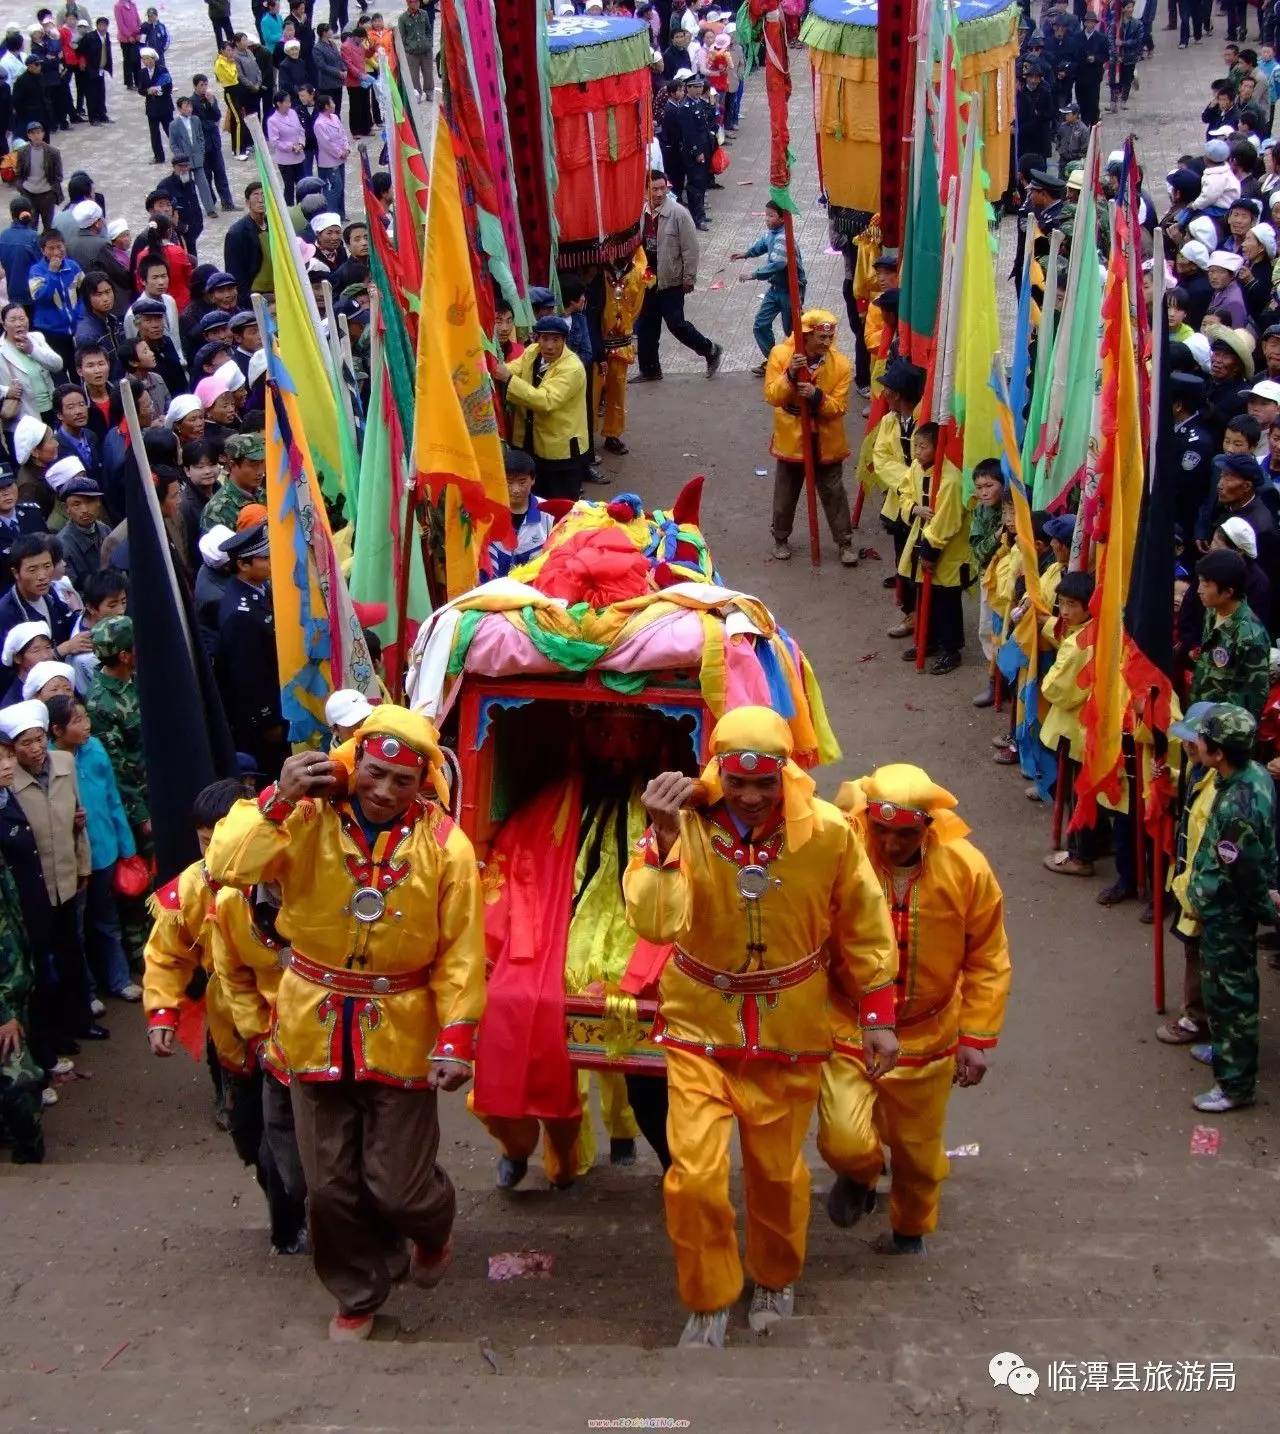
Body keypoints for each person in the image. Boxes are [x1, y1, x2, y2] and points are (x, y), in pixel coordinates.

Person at [204, 705, 485, 1341]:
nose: (384, 791)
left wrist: (457, 1036)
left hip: (404, 1028)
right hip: (312, 1024)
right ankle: (359, 1291)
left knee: (399, 1187)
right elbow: (228, 865)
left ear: (424, 784)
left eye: (403, 781)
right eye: (374, 772)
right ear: (351, 763)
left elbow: (462, 949)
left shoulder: (447, 847)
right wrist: (277, 798)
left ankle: (431, 1229)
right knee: (328, 1186)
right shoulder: (302, 818)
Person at [623, 706, 897, 1348]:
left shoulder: (827, 832)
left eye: (765, 784)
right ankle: (709, 1296)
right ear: (716, 769)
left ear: (787, 776)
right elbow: (655, 926)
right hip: (699, 1026)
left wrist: (878, 1014)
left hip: (788, 1030)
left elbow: (863, 919)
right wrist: (662, 839)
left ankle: (775, 1275)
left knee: (777, 1174)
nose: (749, 798)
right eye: (737, 782)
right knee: (692, 1176)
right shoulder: (678, 825)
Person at [818, 764, 1010, 1253]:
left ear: (927, 828)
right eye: (879, 830)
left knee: (919, 1155)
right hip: (849, 1026)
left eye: (903, 833)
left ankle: (909, 1231)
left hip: (929, 1035)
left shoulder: (967, 869)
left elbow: (988, 956)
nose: (890, 843)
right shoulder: (845, 854)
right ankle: (859, 1176)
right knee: (841, 1137)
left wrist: (976, 1036)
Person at [1182, 704, 1277, 1112]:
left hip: (1230, 914)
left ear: (1218, 752)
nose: (1195, 742)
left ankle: (1235, 1083)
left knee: (1230, 994)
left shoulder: (1238, 805)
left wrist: (1263, 910)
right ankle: (1222, 1048)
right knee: (1218, 986)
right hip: (1223, 907)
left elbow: (1246, 872)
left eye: (1202, 738)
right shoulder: (1250, 774)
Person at [4, 698, 101, 1054]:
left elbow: (79, 818)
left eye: (39, 739)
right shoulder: (8, 780)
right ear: (13, 749)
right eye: (26, 743)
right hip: (36, 889)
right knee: (43, 967)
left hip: (68, 877)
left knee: (73, 953)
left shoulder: (64, 761)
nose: (36, 749)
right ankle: (52, 1036)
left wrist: (83, 866)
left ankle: (82, 1021)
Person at [45, 692, 139, 1004]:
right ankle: (85, 994)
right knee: (76, 930)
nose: (87, 725)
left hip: (105, 851)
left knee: (107, 920)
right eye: (77, 721)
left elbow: (112, 799)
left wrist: (126, 847)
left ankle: (118, 979)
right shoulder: (46, 763)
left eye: (85, 717)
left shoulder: (96, 749)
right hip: (71, 860)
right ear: (57, 730)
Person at [763, 308, 857, 568]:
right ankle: (780, 537)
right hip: (793, 440)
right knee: (786, 493)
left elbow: (839, 407)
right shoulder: (781, 355)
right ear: (807, 335)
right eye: (821, 338)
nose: (827, 344)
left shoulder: (841, 365)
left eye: (830, 338)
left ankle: (845, 541)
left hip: (826, 441)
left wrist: (817, 398)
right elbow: (772, 396)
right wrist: (790, 376)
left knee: (834, 493)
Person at [0, 730, 44, 1162]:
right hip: (5, 989)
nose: (7, 765)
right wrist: (7, 1011)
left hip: (13, 970)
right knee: (17, 1076)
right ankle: (29, 1152)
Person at [214, 520, 287, 777]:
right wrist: (268, 720)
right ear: (243, 565)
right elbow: (248, 677)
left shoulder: (259, 588)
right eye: (264, 558)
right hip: (261, 718)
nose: (271, 561)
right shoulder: (240, 614)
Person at [634, 171, 721, 382]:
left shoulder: (679, 214)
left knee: (676, 324)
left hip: (670, 279)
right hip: (647, 279)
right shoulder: (639, 213)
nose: (659, 193)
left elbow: (691, 249)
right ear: (646, 191)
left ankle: (709, 349)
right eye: (654, 189)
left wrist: (689, 277)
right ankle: (650, 369)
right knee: (646, 325)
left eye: (662, 188)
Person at [493, 315, 589, 502]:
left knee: (562, 506)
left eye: (556, 339)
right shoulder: (533, 351)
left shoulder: (572, 368)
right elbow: (514, 368)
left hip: (562, 451)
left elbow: (546, 400)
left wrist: (508, 380)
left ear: (564, 340)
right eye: (545, 339)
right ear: (537, 339)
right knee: (538, 501)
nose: (550, 346)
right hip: (534, 444)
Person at [1189, 549, 1271, 715]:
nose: (1199, 590)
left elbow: (1249, 705)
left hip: (1223, 734)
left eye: (1206, 584)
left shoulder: (1250, 638)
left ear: (1228, 592)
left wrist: (1205, 731)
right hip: (1198, 719)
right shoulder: (1212, 611)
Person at [732, 201, 803, 374]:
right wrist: (746, 254)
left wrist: (754, 274)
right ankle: (774, 361)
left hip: (791, 290)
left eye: (771, 215)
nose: (767, 219)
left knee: (792, 330)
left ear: (782, 218)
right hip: (775, 289)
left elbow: (778, 264)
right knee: (761, 324)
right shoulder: (771, 233)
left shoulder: (783, 238)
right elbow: (762, 244)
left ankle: (798, 364)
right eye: (766, 215)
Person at [487, 447, 555, 578]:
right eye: (509, 482)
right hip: (495, 591)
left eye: (522, 482)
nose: (515, 489)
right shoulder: (487, 513)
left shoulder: (548, 512)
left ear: (533, 479)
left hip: (534, 589)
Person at [200, 430, 265, 532]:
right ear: (232, 464)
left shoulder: (262, 493)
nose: (261, 471)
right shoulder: (218, 511)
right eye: (253, 464)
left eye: (262, 463)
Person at [192, 74, 237, 214]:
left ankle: (227, 203)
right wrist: (212, 124)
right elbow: (198, 123)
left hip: (215, 143)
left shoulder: (211, 98)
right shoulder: (192, 102)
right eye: (201, 85)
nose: (204, 88)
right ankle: (211, 204)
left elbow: (217, 115)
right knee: (206, 176)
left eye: (206, 84)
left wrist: (211, 103)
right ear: (195, 86)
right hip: (202, 145)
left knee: (220, 173)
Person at [224, 182, 271, 309]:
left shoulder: (273, 225)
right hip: (253, 294)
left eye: (264, 195)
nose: (261, 200)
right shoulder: (237, 233)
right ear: (247, 202)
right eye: (256, 196)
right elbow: (234, 271)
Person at [15, 122, 64, 232]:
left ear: (43, 134)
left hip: (47, 195)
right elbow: (18, 173)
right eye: (33, 133)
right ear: (28, 136)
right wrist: (21, 187)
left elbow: (59, 175)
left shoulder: (53, 152)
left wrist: (51, 190)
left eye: (38, 132)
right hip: (29, 194)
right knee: (31, 227)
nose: (36, 136)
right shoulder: (22, 152)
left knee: (48, 227)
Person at [0, 200, 43, 317]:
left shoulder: (3, 235)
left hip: (10, 295)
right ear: (29, 213)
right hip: (30, 295)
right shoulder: (34, 238)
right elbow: (43, 266)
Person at [137, 44, 173, 165]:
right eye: (144, 59)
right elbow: (140, 89)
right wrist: (148, 91)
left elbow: (169, 87)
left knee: (170, 131)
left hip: (164, 106)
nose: (147, 61)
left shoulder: (162, 70)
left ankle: (180, 152)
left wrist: (158, 90)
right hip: (152, 108)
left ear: (154, 59)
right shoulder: (142, 73)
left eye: (149, 58)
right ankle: (158, 156)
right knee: (154, 133)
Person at [397, 0, 434, 99]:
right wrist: (408, 48)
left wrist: (429, 43)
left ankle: (429, 92)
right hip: (412, 52)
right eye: (414, 2)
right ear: (409, 3)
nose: (417, 4)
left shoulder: (424, 14)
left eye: (418, 2)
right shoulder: (402, 18)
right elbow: (402, 36)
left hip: (426, 50)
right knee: (414, 75)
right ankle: (417, 94)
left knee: (428, 73)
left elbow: (429, 30)